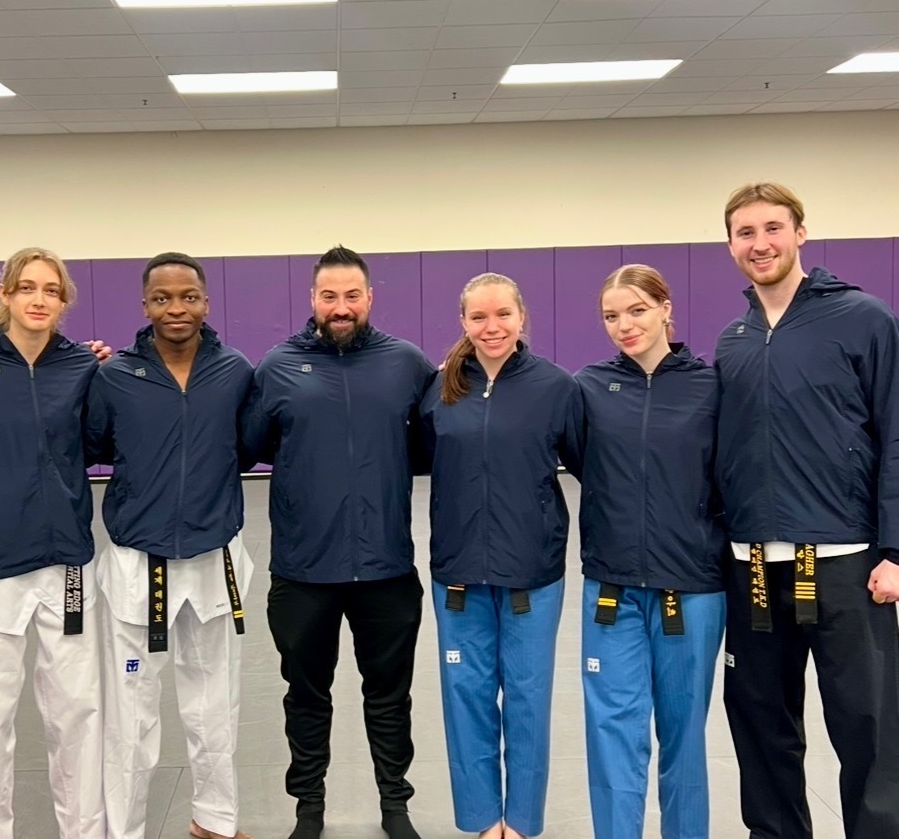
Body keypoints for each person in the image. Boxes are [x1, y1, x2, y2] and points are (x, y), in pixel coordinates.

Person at [715, 182, 899, 838]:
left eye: (771, 228)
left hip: (845, 563)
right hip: (755, 565)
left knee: (867, 725)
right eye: (743, 232)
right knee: (762, 723)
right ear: (729, 244)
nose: (758, 243)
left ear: (799, 233)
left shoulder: (863, 319)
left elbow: (895, 433)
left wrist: (894, 550)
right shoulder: (732, 339)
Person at [242, 246, 436, 839]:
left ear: (370, 298)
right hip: (304, 570)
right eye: (330, 296)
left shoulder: (406, 363)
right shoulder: (277, 365)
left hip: (385, 567)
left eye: (353, 295)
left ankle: (394, 805)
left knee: (389, 696)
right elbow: (252, 444)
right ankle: (309, 808)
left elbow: (428, 449)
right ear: (313, 300)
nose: (341, 307)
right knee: (305, 696)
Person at [85, 252, 255, 839]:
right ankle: (124, 828)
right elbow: (90, 445)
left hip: (213, 555)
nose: (176, 308)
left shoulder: (234, 371)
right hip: (138, 559)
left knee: (215, 703)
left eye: (188, 297)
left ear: (206, 302)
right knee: (130, 713)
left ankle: (215, 820)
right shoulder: (113, 375)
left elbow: (251, 444)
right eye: (163, 298)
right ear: (145, 305)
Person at [0, 247, 103, 838]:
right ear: (6, 294)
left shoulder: (82, 367)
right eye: (28, 287)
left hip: (66, 561)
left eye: (51, 290)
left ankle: (84, 830)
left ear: (64, 302)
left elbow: (97, 443)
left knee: (77, 714)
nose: (39, 300)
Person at [418, 272, 579, 839]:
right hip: (458, 574)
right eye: (479, 317)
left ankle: (523, 821)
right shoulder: (438, 391)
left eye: (502, 315)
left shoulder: (557, 388)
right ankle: (484, 821)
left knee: (529, 702)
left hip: (532, 575)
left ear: (522, 316)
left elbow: (592, 468)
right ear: (463, 322)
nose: (492, 327)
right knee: (467, 700)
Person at [571, 265, 726, 839]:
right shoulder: (586, 387)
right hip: (611, 588)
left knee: (685, 732)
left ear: (666, 308)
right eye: (611, 316)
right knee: (613, 730)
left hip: (693, 587)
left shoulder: (710, 386)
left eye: (636, 310)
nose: (624, 325)